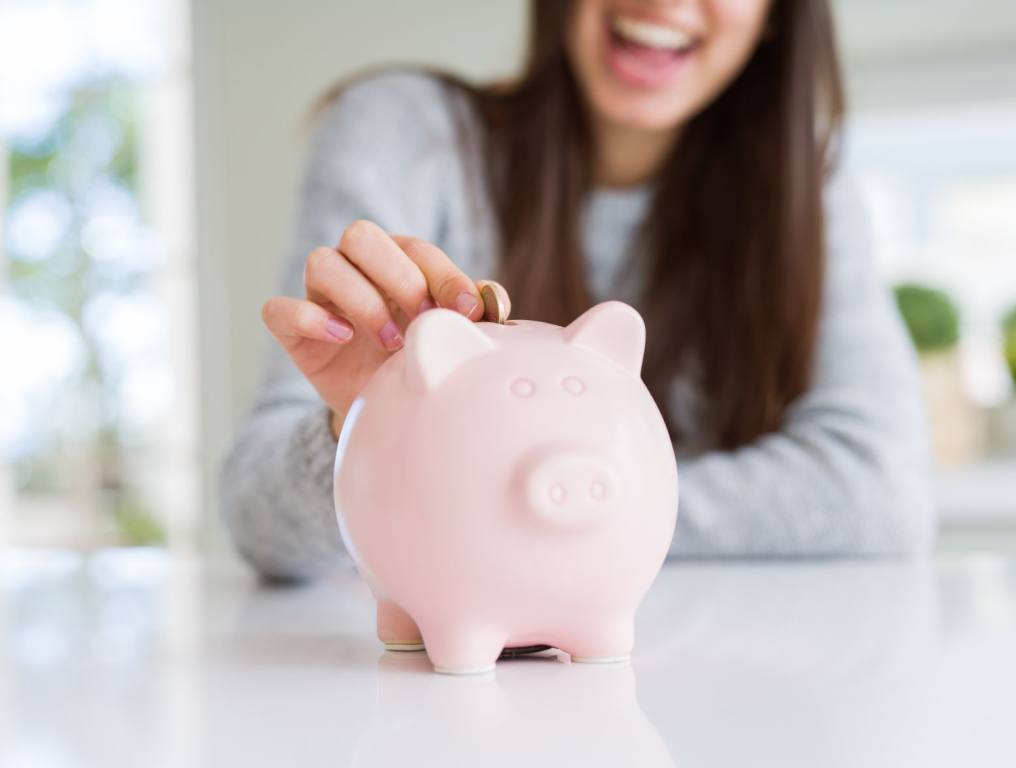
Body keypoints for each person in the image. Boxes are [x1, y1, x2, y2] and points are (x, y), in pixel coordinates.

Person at [222, 0, 934, 581]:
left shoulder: (803, 191)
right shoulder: (406, 135)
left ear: (779, 12)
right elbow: (257, 519)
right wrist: (363, 442)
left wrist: (511, 502)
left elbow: (880, 492)